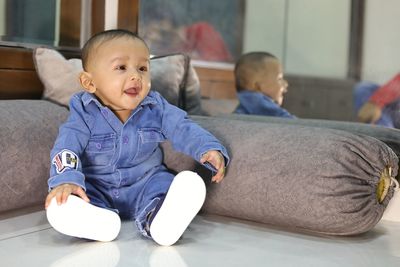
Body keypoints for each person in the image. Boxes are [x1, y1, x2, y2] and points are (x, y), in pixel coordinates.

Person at [44, 29, 229, 246]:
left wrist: (207, 148)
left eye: (142, 68)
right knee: (64, 202)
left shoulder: (155, 107)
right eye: (121, 67)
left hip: (146, 183)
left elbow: (182, 127)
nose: (135, 76)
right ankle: (100, 223)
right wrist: (66, 180)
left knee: (167, 185)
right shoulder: (84, 113)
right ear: (89, 83)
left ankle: (159, 222)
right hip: (97, 187)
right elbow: (67, 147)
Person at [233, 52, 295, 118]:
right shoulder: (259, 103)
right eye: (279, 78)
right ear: (257, 86)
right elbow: (292, 125)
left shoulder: (245, 106)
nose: (285, 84)